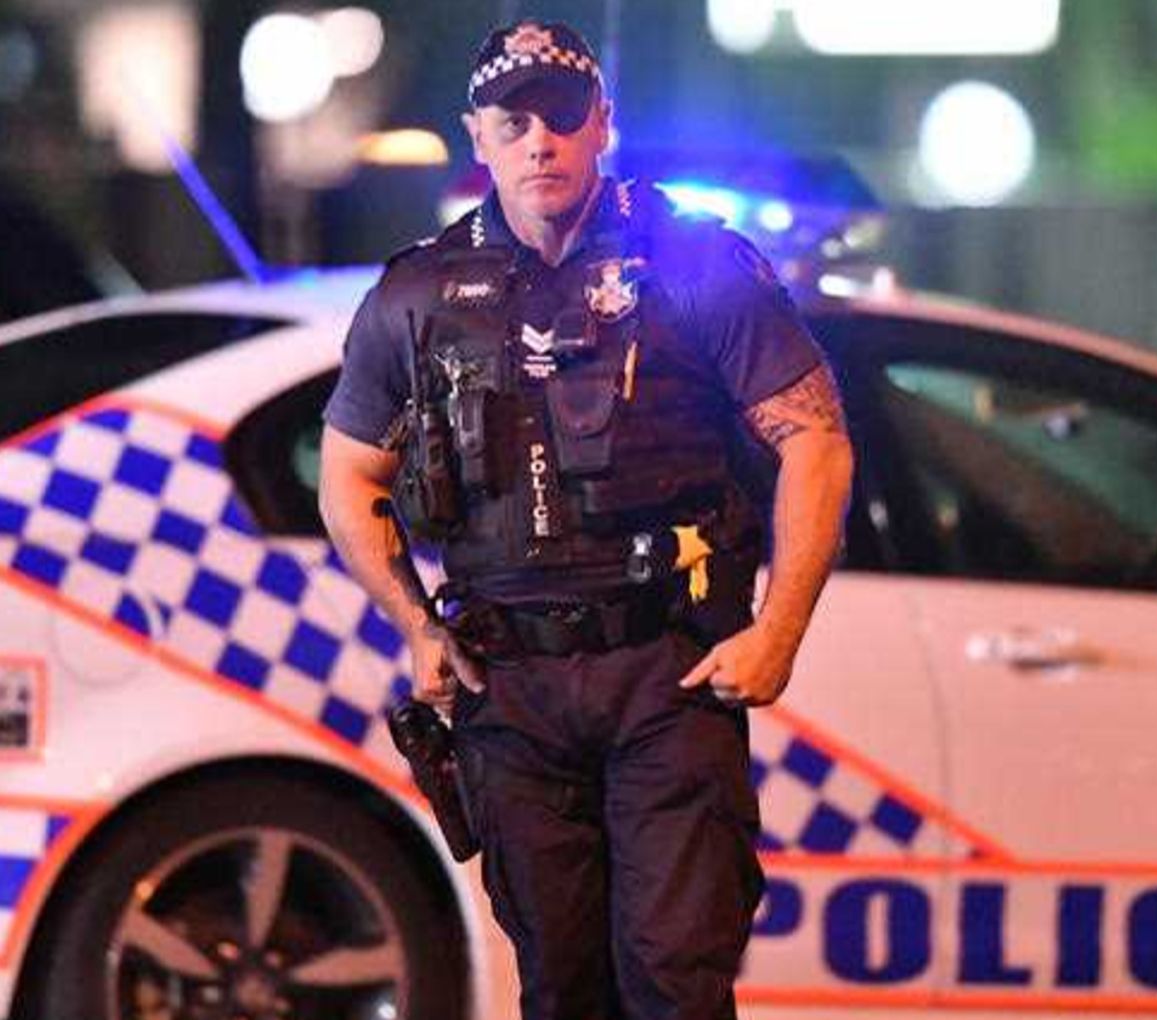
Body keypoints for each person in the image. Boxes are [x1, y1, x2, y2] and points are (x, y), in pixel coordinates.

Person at [317, 19, 853, 1020]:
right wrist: (418, 629)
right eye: (512, 121)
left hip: (669, 674)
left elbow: (816, 439)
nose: (539, 142)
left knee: (673, 982)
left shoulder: (693, 266)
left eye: (562, 117)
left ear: (602, 124)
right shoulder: (420, 294)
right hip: (509, 690)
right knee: (560, 990)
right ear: (475, 136)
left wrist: (777, 632)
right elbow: (348, 475)